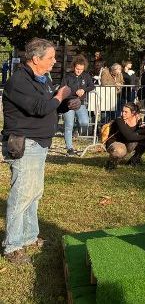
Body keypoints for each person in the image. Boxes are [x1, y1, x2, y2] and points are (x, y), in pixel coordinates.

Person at [2, 38, 77, 264]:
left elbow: (47, 104)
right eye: (51, 58)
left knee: (34, 194)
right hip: (26, 143)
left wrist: (65, 104)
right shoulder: (18, 81)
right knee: (21, 195)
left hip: (39, 143)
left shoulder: (40, 79)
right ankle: (13, 245)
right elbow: (40, 107)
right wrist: (60, 96)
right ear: (36, 59)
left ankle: (29, 236)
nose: (54, 62)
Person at [104, 102, 145, 169]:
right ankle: (111, 162)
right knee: (119, 151)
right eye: (122, 111)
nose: (123, 114)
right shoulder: (119, 120)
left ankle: (135, 159)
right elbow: (129, 136)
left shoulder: (138, 120)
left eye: (126, 112)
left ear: (133, 113)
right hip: (116, 143)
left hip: (128, 143)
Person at [62, 55, 95, 156]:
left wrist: (83, 90)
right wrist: (72, 92)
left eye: (81, 69)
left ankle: (76, 129)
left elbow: (92, 86)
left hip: (80, 103)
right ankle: (69, 148)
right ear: (73, 67)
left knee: (85, 123)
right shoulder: (67, 76)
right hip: (68, 103)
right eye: (77, 69)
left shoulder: (86, 75)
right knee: (68, 126)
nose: (78, 71)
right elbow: (63, 88)